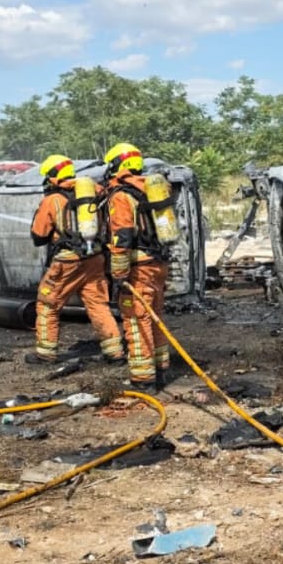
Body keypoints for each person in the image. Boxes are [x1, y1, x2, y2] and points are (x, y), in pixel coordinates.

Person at [25, 154, 123, 366]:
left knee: (47, 305)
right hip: (95, 258)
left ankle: (45, 353)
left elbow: (39, 236)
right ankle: (115, 352)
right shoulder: (94, 191)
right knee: (98, 305)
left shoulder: (52, 200)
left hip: (68, 262)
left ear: (52, 176)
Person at [102, 142, 171, 388]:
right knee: (155, 317)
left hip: (138, 269)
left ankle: (143, 379)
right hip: (158, 264)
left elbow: (122, 238)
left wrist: (119, 275)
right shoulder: (148, 191)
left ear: (116, 166)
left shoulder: (121, 196)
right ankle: (161, 369)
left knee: (135, 319)